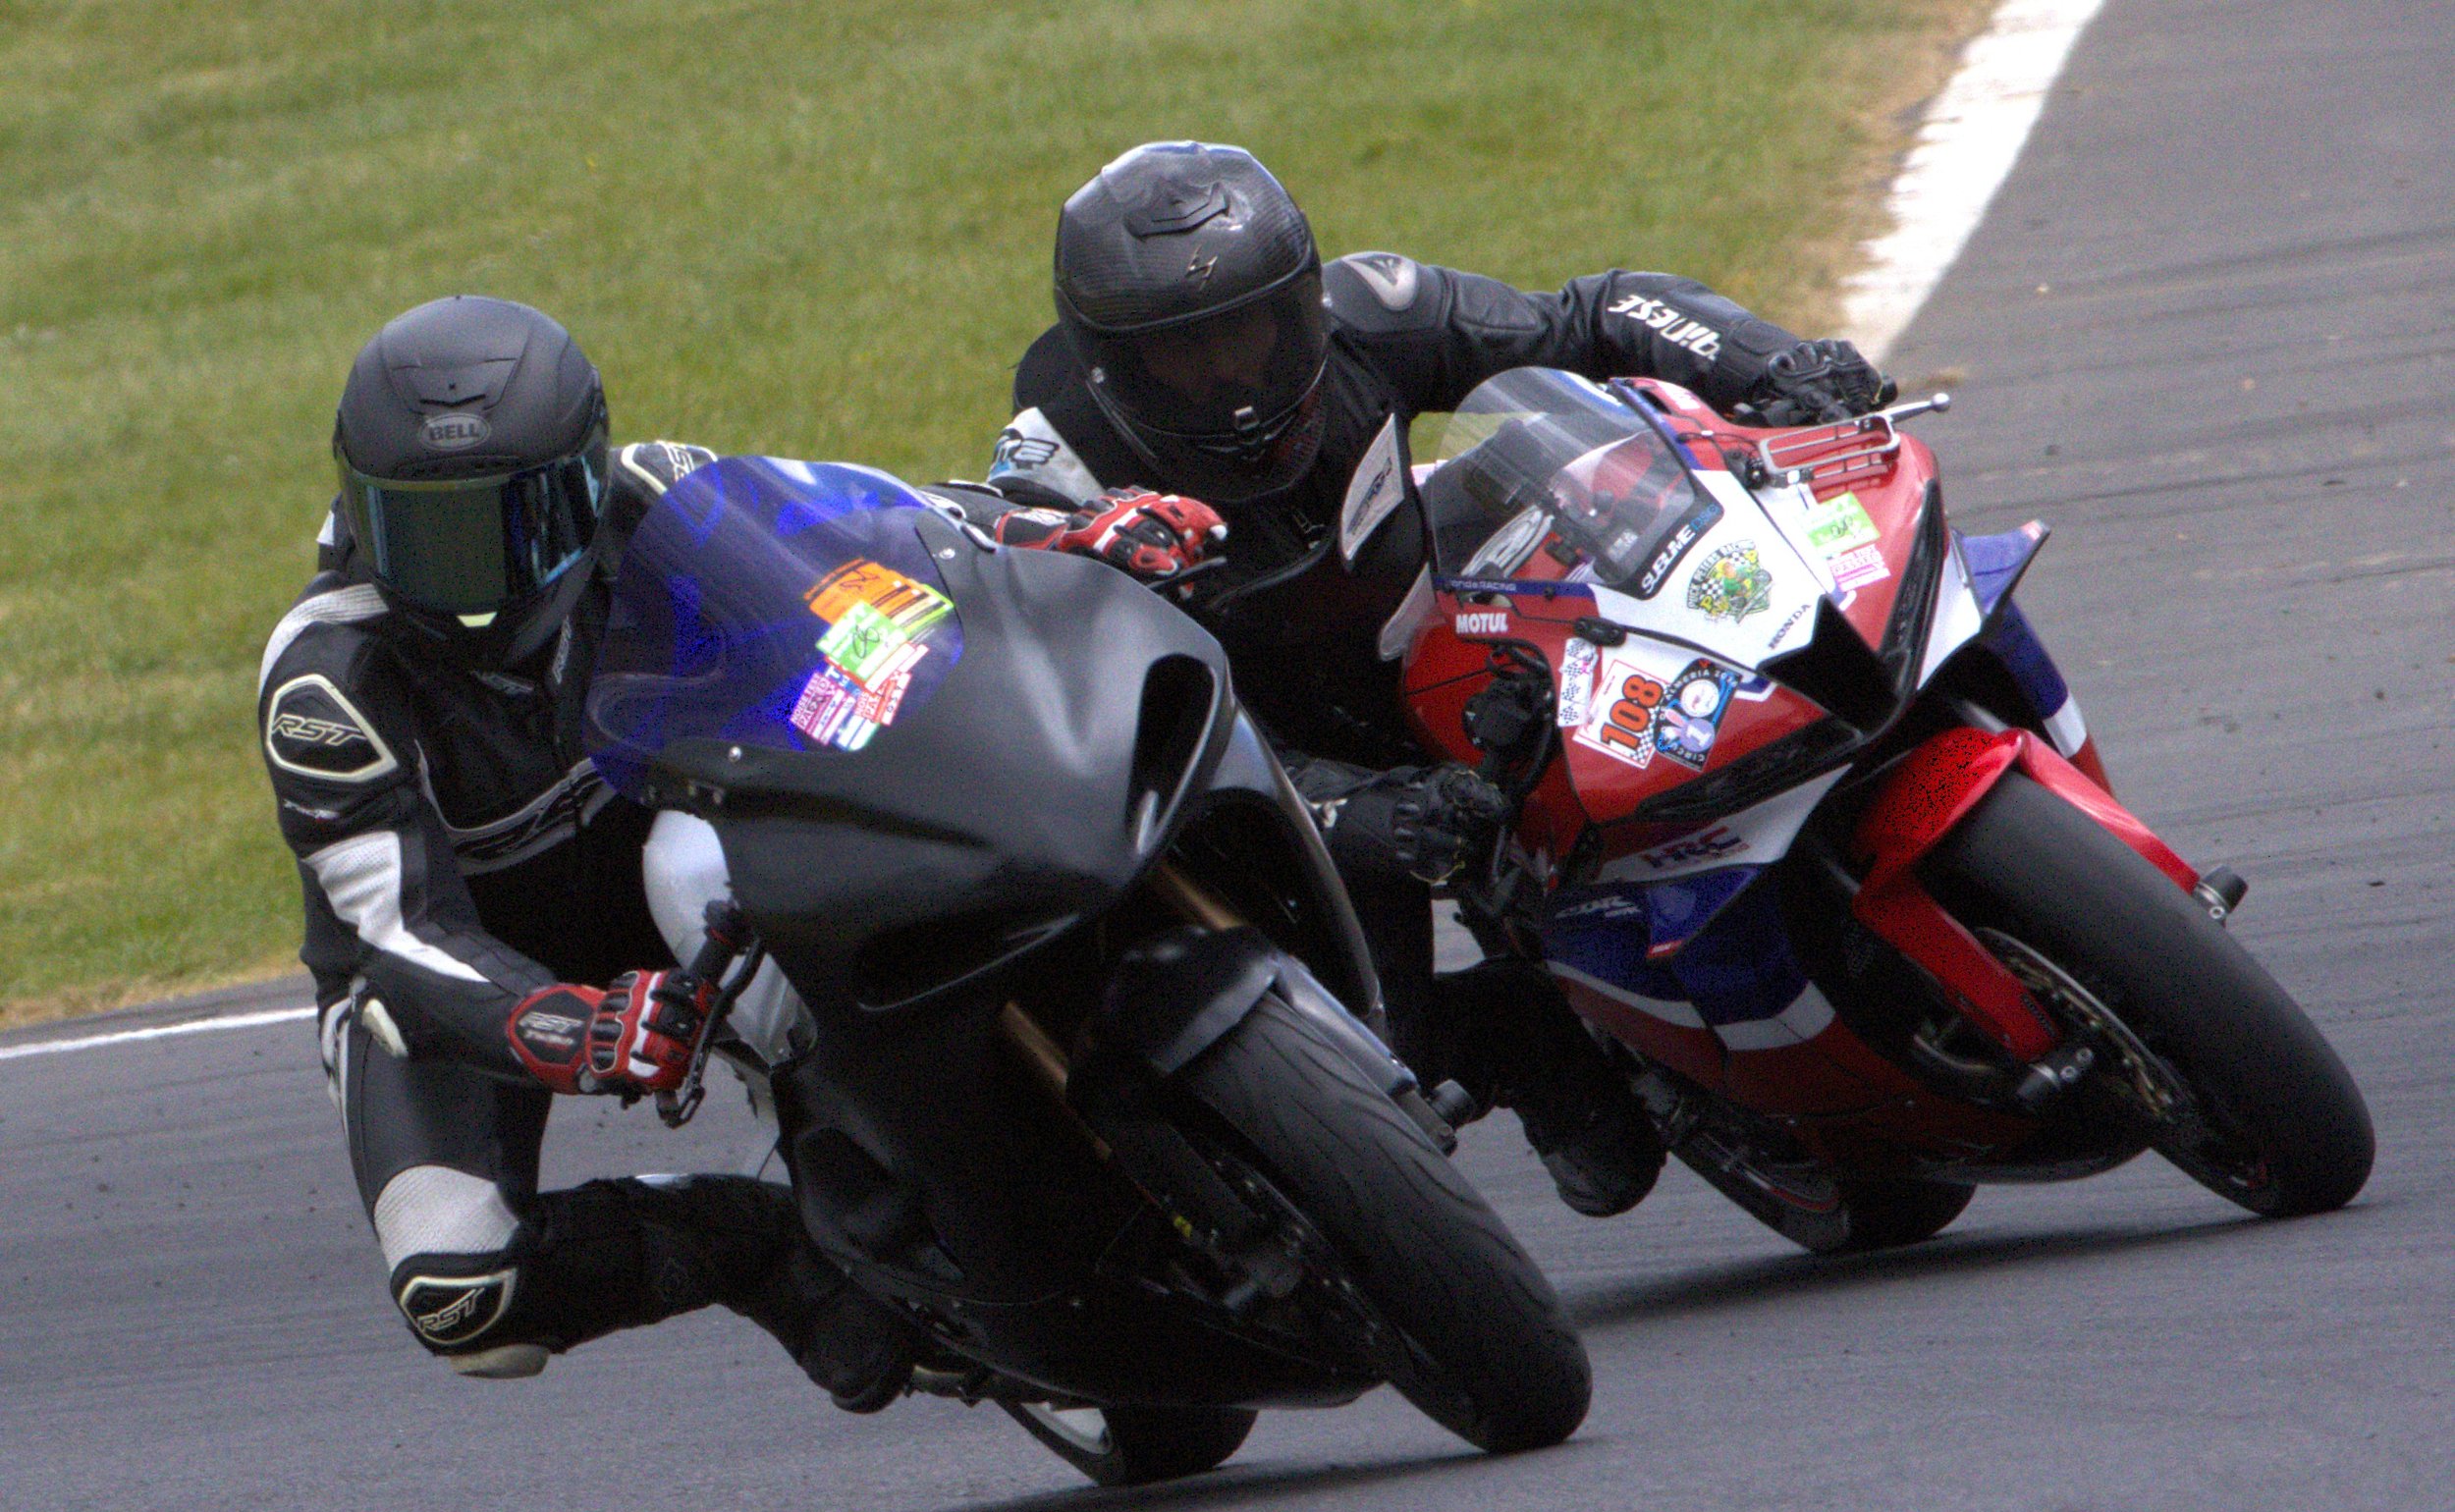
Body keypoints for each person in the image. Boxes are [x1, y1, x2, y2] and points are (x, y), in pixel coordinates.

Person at [967, 142, 1893, 1216]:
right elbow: (1105, 711)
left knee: (1741, 687)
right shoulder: (1059, 475)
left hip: (1449, 642)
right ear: (1109, 364)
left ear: (1303, 303)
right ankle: (1516, 1030)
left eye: (1257, 333)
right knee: (1381, 1085)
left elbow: (1596, 312)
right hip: (1276, 770)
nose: (1236, 383)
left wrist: (1767, 362)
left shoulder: (1377, 311)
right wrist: (1350, 809)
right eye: (1187, 359)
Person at [259, 296, 947, 1394]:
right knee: (464, 1295)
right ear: (357, 508)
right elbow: (400, 936)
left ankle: (897, 1116)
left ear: (583, 478)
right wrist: (579, 1029)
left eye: (512, 525)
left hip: (677, 871)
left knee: (739, 829)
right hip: (454, 979)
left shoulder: (661, 496)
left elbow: (876, 531)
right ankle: (760, 1242)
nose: (473, 587)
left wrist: (1042, 529)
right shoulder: (324, 680)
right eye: (426, 539)